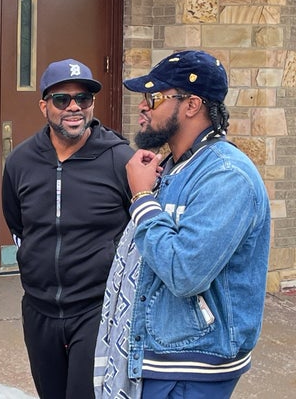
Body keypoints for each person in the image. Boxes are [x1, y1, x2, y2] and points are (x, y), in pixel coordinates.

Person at [94, 50, 271, 399]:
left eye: (154, 97)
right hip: (160, 357)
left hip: (190, 368)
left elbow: (184, 271)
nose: (143, 107)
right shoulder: (175, 166)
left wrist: (142, 198)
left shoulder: (226, 175)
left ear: (191, 105)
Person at [1, 59, 134, 399]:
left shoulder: (120, 160)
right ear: (44, 105)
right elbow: (17, 222)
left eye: (84, 98)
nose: (74, 107)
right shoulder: (21, 161)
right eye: (62, 99)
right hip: (39, 309)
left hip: (96, 310)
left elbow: (137, 230)